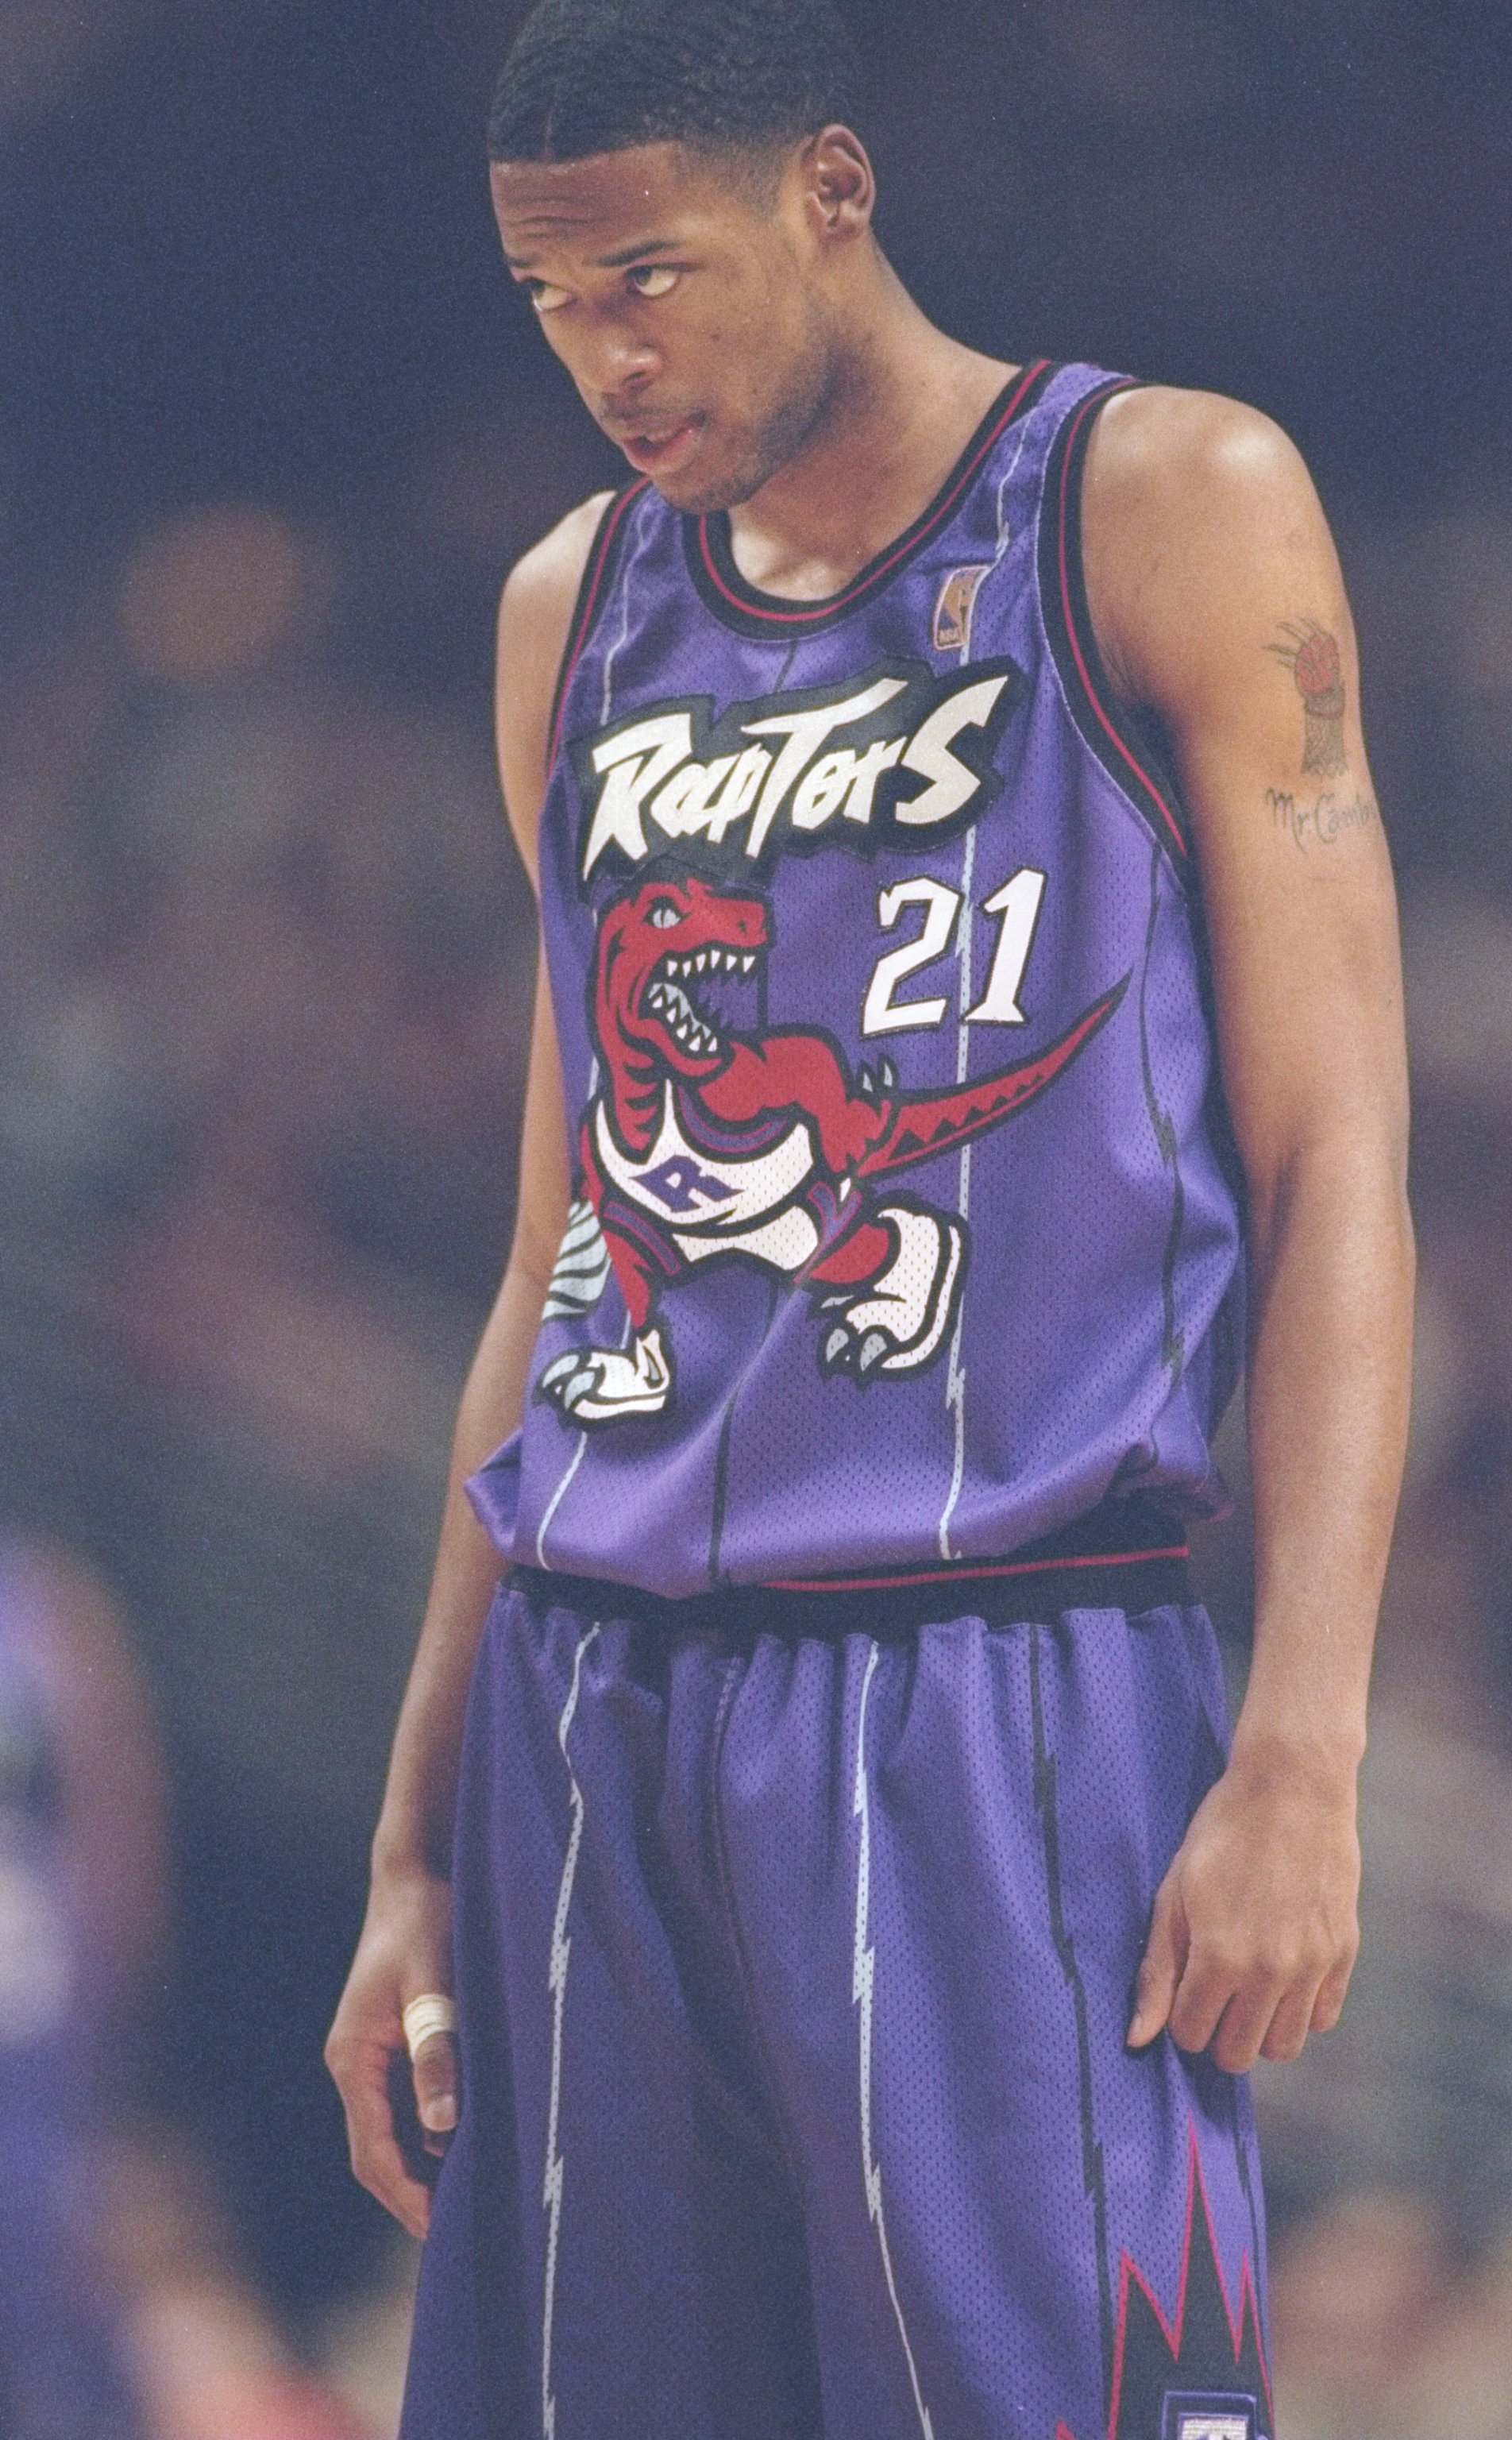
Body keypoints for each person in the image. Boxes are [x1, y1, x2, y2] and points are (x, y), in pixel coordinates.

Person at [325, 4, 1414, 2434]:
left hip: (1003, 1682)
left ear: (830, 188)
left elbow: (1337, 1163)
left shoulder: (1163, 495)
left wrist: (1301, 1754)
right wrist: (410, 1844)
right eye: (552, 304)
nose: (609, 353)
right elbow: (561, 1244)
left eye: (653, 274)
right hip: (591, 1705)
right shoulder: (569, 611)